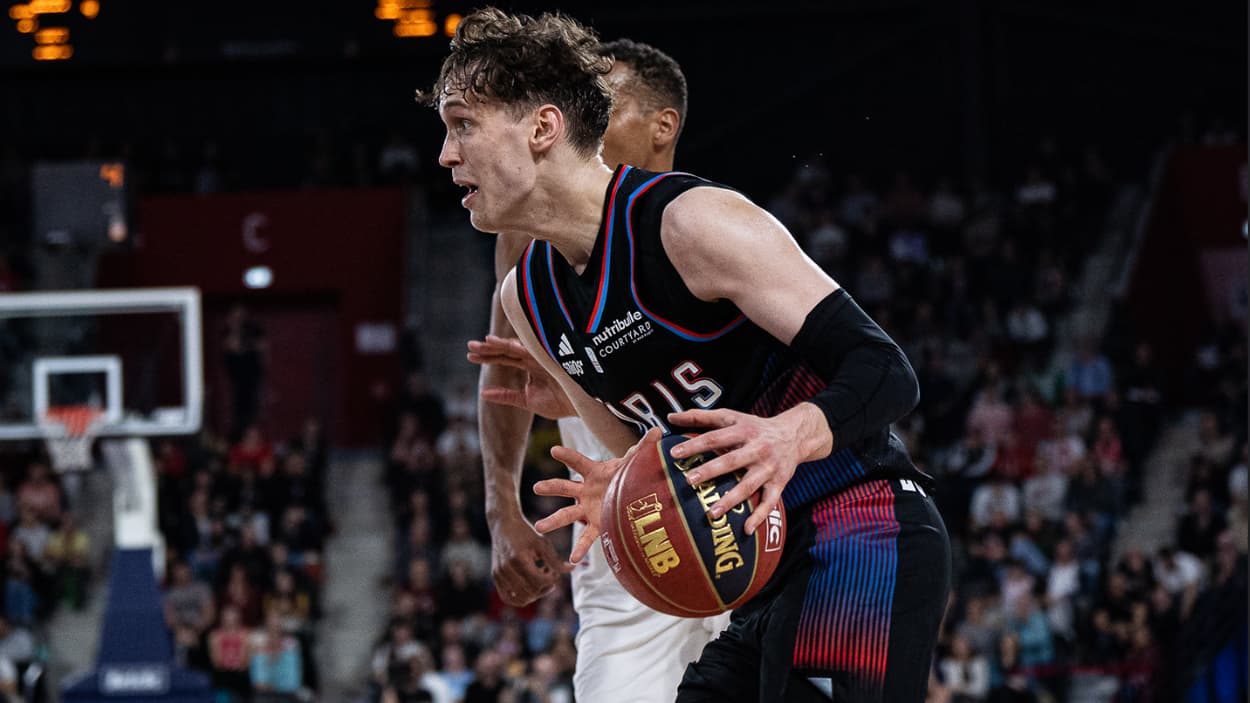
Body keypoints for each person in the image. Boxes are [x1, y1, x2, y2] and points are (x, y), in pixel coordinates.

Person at [423, 8, 950, 702]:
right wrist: (614, 480)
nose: (445, 155)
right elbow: (643, 443)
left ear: (543, 128)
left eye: (463, 125)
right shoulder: (528, 297)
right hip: (759, 572)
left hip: (861, 526)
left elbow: (886, 372)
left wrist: (784, 433)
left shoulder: (690, 222)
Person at [465, 36, 729, 701]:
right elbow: (504, 380)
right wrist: (502, 508)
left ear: (662, 126)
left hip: (743, 511)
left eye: (601, 103)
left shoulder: (710, 223)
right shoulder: (527, 232)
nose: (581, 116)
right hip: (626, 531)